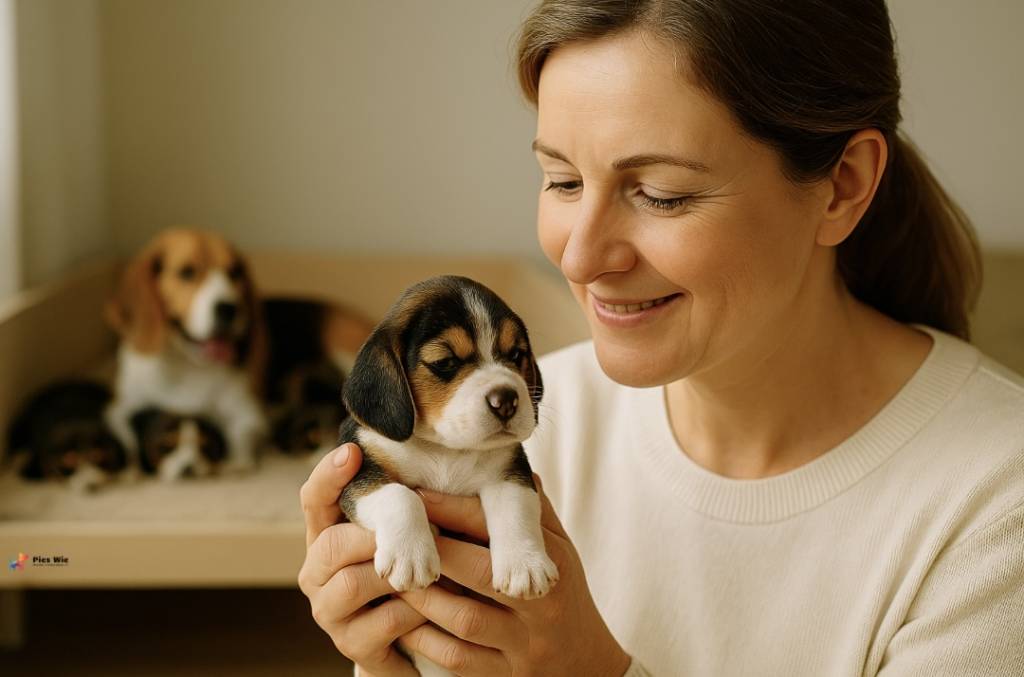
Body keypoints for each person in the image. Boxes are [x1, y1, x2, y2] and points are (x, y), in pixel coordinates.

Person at [298, 1, 1024, 674]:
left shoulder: (997, 508)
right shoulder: (518, 428)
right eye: (561, 180)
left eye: (662, 193)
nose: (579, 257)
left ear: (842, 186)